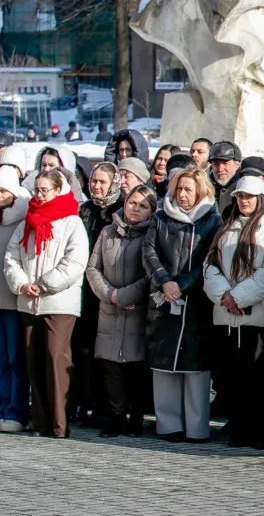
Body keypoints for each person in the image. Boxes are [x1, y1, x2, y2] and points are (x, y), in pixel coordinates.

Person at [203, 176, 264, 450]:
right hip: (229, 320)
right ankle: (239, 430)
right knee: (233, 378)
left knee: (259, 379)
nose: (244, 201)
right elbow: (210, 267)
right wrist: (225, 297)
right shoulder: (226, 229)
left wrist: (236, 297)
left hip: (261, 320)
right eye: (240, 196)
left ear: (261, 198)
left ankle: (261, 433)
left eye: (249, 196)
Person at [5, 169, 89, 438]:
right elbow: (12, 256)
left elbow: (74, 262)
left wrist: (44, 284)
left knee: (56, 358)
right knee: (34, 360)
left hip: (58, 301)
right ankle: (40, 421)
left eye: (45, 190)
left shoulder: (71, 222)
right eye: (37, 190)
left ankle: (60, 423)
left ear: (58, 190)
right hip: (29, 301)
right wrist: (21, 283)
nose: (39, 195)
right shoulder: (26, 221)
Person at [143, 167, 222, 443]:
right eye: (179, 189)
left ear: (201, 191)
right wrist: (164, 281)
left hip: (196, 302)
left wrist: (183, 285)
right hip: (164, 299)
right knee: (164, 365)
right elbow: (149, 252)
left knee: (195, 366)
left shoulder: (212, 220)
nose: (183, 194)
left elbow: (210, 258)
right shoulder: (160, 218)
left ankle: (197, 427)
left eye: (189, 189)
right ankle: (168, 425)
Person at [85, 185, 157, 438]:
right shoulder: (107, 232)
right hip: (109, 309)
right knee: (110, 368)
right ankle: (116, 418)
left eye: (142, 205)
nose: (135, 208)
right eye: (132, 202)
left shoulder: (152, 234)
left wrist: (125, 295)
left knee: (135, 369)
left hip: (137, 310)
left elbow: (150, 275)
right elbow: (93, 268)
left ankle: (135, 419)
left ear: (151, 211)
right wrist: (110, 295)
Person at [72, 161, 124, 426]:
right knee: (82, 350)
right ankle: (82, 402)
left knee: (107, 354)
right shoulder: (84, 210)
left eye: (103, 182)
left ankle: (108, 408)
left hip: (111, 288)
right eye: (94, 181)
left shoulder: (122, 210)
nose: (96, 186)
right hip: (84, 290)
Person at [0, 167, 30, 432]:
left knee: (15, 359)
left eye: (3, 190)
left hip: (12, 300)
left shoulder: (20, 220)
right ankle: (0, 408)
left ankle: (16, 410)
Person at [208, 141, 243, 211]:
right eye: (215, 164)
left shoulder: (244, 187)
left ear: (237, 165)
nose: (220, 169)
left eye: (225, 163)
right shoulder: (204, 186)